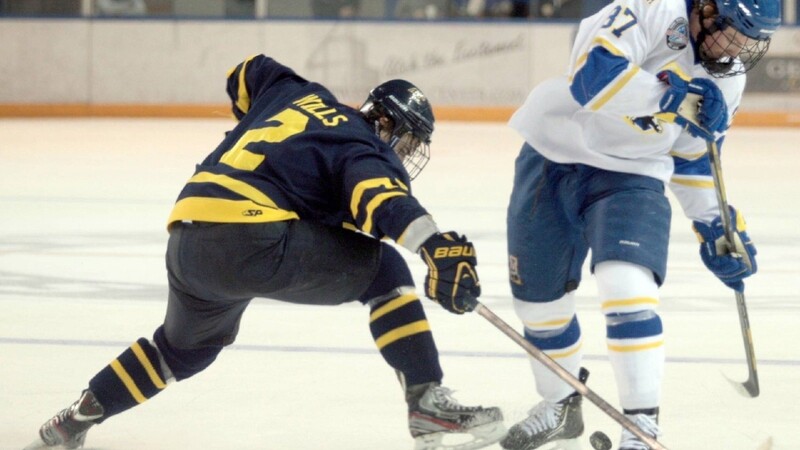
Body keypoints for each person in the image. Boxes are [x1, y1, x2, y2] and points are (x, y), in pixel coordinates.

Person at [25, 54, 505, 450]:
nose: (402, 153)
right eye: (405, 139)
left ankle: (76, 419)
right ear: (382, 120)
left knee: (183, 351)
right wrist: (434, 245)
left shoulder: (298, 93)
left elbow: (246, 71)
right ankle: (425, 403)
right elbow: (382, 198)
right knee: (386, 271)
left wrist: (258, 122)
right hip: (250, 238)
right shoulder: (364, 145)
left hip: (187, 237)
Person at [500, 0, 777, 449]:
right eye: (736, 31)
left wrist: (716, 227)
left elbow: (693, 159)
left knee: (626, 286)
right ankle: (559, 403)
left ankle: (641, 427)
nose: (739, 48)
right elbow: (594, 76)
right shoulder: (649, 10)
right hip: (554, 152)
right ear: (706, 9)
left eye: (751, 39)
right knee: (538, 306)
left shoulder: (728, 78)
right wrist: (674, 97)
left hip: (634, 173)